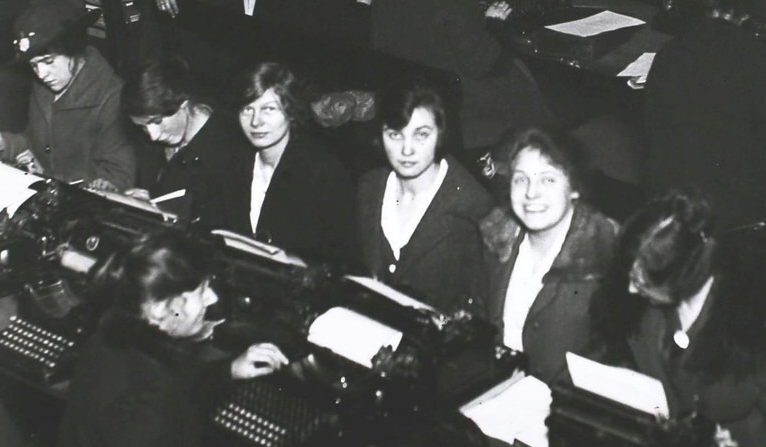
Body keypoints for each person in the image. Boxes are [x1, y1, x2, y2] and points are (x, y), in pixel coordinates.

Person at [50, 230, 288, 447]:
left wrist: (229, 370)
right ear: (165, 308)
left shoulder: (115, 332)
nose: (211, 300)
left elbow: (171, 382)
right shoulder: (148, 409)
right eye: (201, 291)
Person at [596, 190, 766, 447]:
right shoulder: (645, 300)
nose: (632, 290)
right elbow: (628, 355)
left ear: (682, 276)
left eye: (641, 282)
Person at [368, 0, 552, 149]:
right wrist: (493, 23)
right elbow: (479, 63)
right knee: (520, 76)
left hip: (404, 90)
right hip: (450, 100)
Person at [644, 0, 766, 233]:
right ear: (744, 16)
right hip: (726, 196)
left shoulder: (671, 49)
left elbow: (650, 117)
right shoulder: (753, 53)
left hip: (667, 186)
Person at [476, 128, 619, 382]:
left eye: (548, 180)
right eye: (520, 179)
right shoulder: (493, 245)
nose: (531, 193)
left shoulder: (606, 262)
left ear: (574, 189)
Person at [356, 79, 493, 312]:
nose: (406, 150)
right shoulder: (369, 187)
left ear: (440, 134)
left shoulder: (473, 206)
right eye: (395, 134)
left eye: (421, 134)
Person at [0, 0, 136, 191]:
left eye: (48, 61)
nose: (42, 74)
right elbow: (34, 142)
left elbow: (116, 178)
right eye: (34, 65)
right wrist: (4, 143)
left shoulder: (112, 97)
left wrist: (47, 178)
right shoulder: (44, 88)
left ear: (73, 49)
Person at [219, 62, 357, 266]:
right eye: (247, 109)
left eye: (268, 109)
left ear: (290, 111)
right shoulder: (233, 163)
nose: (256, 122)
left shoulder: (323, 172)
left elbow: (343, 258)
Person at [122, 56, 243, 224]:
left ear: (184, 104)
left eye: (156, 121)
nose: (153, 135)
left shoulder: (227, 147)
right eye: (142, 126)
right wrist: (149, 200)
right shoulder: (153, 142)